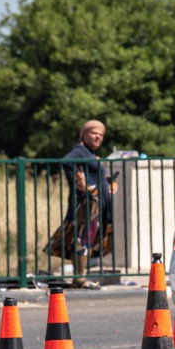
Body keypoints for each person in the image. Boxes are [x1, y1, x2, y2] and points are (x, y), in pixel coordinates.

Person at [59, 120, 118, 289]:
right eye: (93, 133)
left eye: (101, 134)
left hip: (96, 205)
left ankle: (80, 277)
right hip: (86, 205)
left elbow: (94, 175)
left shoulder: (90, 154)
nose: (98, 137)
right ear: (83, 135)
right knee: (83, 239)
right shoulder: (79, 151)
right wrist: (79, 180)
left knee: (86, 239)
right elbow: (66, 162)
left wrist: (108, 183)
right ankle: (80, 279)